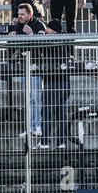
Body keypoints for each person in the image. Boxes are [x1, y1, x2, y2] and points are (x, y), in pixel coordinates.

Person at [34, 19, 72, 150]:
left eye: (47, 29)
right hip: (65, 83)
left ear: (53, 30)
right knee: (61, 113)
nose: (45, 31)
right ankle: (61, 143)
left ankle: (44, 142)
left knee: (47, 112)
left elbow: (38, 47)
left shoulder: (52, 41)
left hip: (53, 82)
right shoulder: (62, 42)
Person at [9, 4, 45, 137]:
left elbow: (43, 45)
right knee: (28, 98)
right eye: (18, 14)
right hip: (24, 66)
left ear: (30, 15)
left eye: (22, 14)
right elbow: (14, 48)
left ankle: (38, 125)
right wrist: (10, 37)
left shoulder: (39, 25)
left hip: (36, 67)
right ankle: (30, 127)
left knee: (36, 97)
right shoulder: (17, 26)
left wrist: (31, 34)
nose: (19, 16)